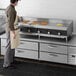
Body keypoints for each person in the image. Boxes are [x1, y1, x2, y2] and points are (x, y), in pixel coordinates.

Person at [3, 0, 20, 68]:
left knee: (12, 45)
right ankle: (6, 64)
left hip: (10, 28)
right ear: (15, 1)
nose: (17, 2)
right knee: (9, 46)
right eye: (17, 1)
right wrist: (13, 31)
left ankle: (11, 60)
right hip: (10, 29)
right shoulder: (11, 9)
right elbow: (10, 22)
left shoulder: (10, 7)